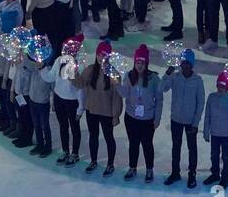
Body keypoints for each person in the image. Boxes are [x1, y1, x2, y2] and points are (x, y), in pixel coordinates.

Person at [75, 41, 123, 175]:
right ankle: (94, 161)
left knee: (109, 137)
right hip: (92, 110)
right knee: (93, 136)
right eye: (99, 55)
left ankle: (110, 164)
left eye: (105, 55)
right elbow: (80, 84)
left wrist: (115, 115)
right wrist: (72, 74)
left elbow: (116, 97)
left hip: (107, 113)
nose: (102, 58)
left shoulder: (114, 74)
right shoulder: (90, 70)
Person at [118, 45, 163, 181]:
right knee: (133, 143)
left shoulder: (154, 79)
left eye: (142, 63)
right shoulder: (129, 76)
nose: (139, 66)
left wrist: (157, 119)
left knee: (147, 144)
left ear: (147, 63)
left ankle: (149, 169)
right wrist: (116, 85)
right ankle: (132, 167)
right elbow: (125, 93)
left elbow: (159, 100)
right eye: (137, 62)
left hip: (148, 119)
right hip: (131, 117)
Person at [162, 48, 205, 188]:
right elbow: (162, 88)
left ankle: (192, 173)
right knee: (176, 147)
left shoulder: (198, 81)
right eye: (183, 62)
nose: (185, 65)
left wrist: (196, 122)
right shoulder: (175, 77)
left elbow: (200, 102)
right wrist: (166, 75)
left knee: (192, 148)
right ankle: (175, 172)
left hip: (190, 121)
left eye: (188, 63)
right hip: (176, 119)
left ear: (192, 64)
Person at [202, 70, 228, 188]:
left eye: (223, 86)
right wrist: (206, 131)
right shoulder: (212, 97)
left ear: (227, 87)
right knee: (214, 155)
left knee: (226, 157)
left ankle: (225, 179)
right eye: (219, 85)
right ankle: (215, 174)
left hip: (226, 134)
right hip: (215, 133)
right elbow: (207, 115)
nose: (220, 88)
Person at [46, 44, 85, 165]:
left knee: (74, 128)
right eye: (66, 50)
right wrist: (42, 68)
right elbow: (52, 78)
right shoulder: (59, 60)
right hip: (59, 99)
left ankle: (75, 153)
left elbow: (81, 89)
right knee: (63, 126)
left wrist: (80, 109)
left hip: (72, 102)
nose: (68, 53)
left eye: (72, 51)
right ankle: (65, 151)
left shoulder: (80, 66)